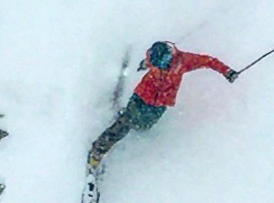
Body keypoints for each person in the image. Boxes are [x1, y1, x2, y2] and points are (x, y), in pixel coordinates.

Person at [87, 41, 236, 171]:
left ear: (169, 56)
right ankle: (98, 150)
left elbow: (208, 61)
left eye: (163, 64)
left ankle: (128, 119)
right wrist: (143, 65)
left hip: (160, 104)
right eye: (158, 65)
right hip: (142, 95)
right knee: (127, 123)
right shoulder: (153, 56)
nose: (161, 67)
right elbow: (148, 62)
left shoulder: (184, 60)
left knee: (143, 126)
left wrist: (227, 71)